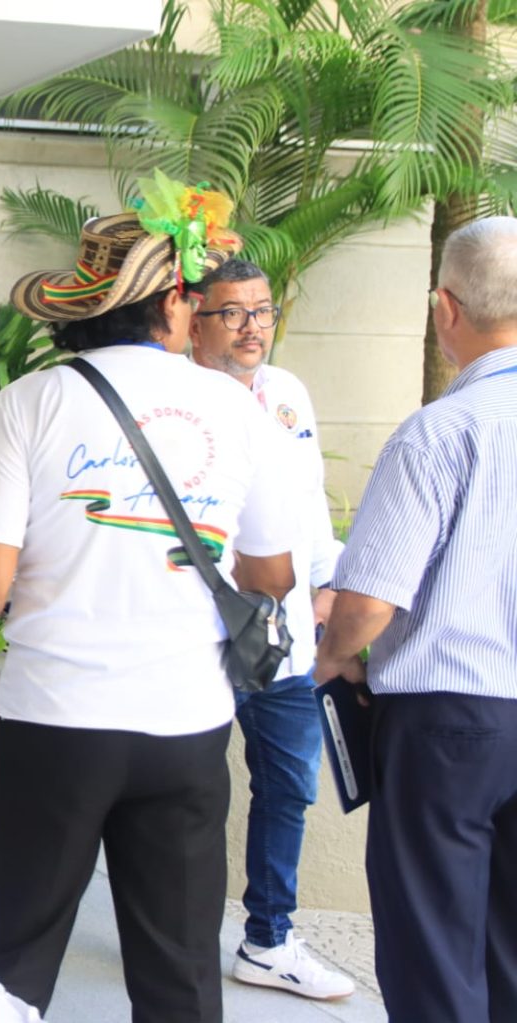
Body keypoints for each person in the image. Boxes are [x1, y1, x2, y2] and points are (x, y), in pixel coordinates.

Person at [0, 190, 296, 1020]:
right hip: (186, 724)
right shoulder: (240, 414)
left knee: (15, 957)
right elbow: (273, 576)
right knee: (179, 975)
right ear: (176, 300)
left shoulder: (27, 403)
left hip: (54, 722)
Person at [315, 216, 517, 1023]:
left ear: (445, 309)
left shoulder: (441, 431)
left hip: (448, 723)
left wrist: (335, 653)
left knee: (433, 950)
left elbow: (367, 602)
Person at [187, 259, 355, 1001]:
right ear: (194, 318)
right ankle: (180, 937)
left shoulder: (286, 393)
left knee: (289, 784)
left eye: (262, 310)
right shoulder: (177, 397)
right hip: (197, 630)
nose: (252, 326)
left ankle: (269, 939)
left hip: (285, 631)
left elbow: (309, 498)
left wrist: (327, 586)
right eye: (233, 312)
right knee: (189, 790)